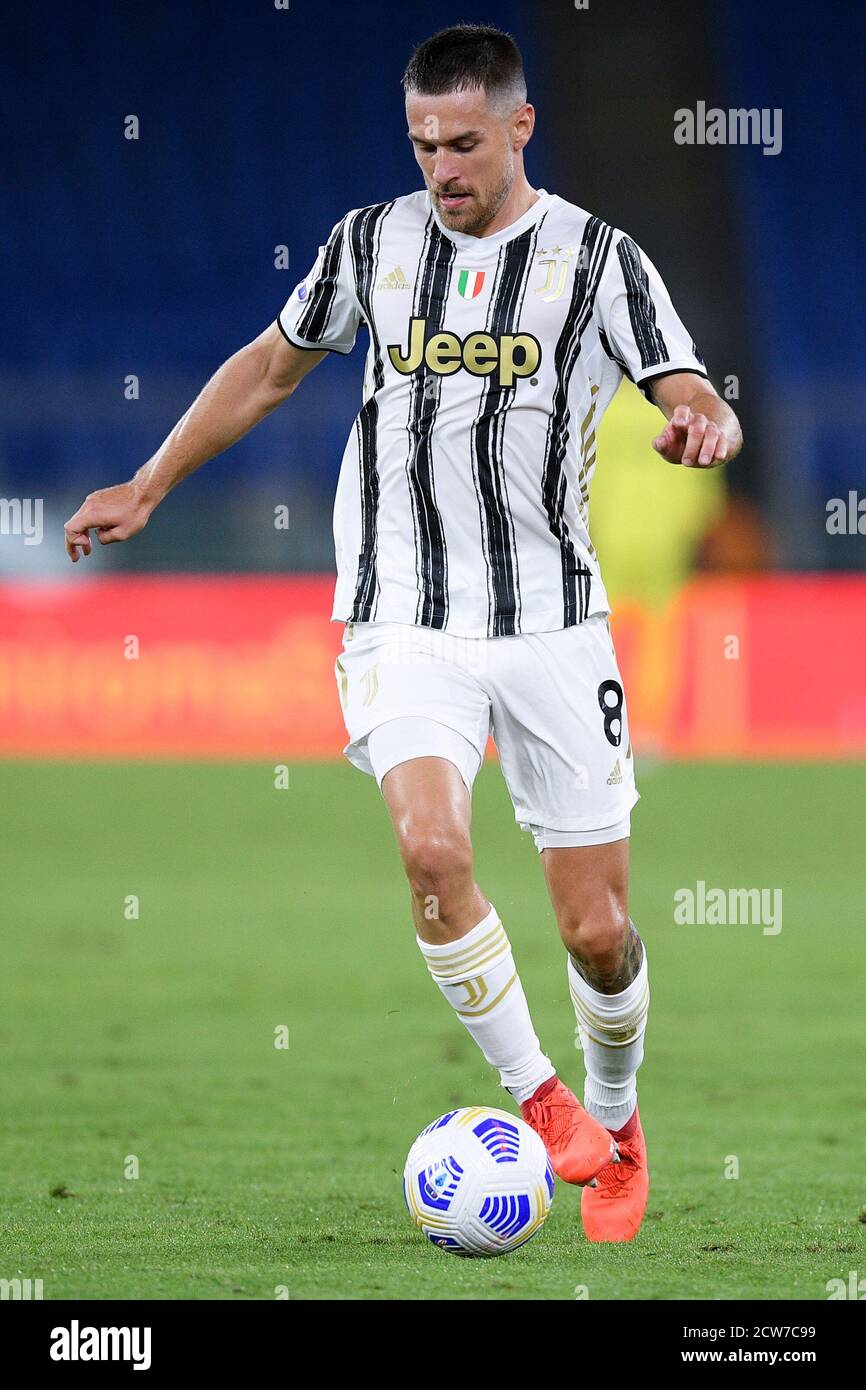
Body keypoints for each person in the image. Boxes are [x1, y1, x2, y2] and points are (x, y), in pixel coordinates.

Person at [64, 23, 742, 1242]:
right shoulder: (368, 243)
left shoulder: (597, 259)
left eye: (465, 143)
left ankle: (616, 1112)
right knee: (431, 851)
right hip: (399, 616)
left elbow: (681, 382)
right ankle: (538, 1105)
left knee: (595, 931)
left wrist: (703, 425)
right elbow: (272, 367)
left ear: (520, 127)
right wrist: (151, 478)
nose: (442, 167)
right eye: (423, 141)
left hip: (550, 625)